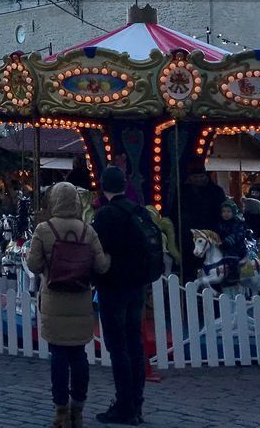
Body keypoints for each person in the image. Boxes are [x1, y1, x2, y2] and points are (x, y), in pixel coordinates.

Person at [26, 182, 109, 428]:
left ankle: (60, 410)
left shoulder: (44, 229)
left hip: (54, 300)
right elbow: (101, 265)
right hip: (80, 299)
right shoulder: (87, 230)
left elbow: (33, 265)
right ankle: (78, 408)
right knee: (79, 356)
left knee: (58, 356)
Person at [92, 165, 149, 425]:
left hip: (113, 286)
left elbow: (98, 253)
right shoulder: (140, 213)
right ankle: (136, 401)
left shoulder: (105, 216)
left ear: (103, 186)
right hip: (137, 286)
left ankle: (124, 403)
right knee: (135, 342)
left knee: (118, 346)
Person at [177, 162, 225, 280]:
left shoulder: (215, 191)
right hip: (189, 235)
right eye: (195, 177)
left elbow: (221, 212)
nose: (198, 179)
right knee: (189, 265)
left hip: (209, 233)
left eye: (200, 176)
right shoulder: (182, 192)